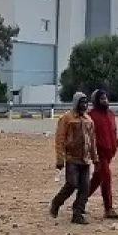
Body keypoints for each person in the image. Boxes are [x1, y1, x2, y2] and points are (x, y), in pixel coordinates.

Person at [50, 94, 99, 224]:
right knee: (72, 184)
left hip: (85, 159)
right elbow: (60, 140)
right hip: (72, 158)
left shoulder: (89, 120)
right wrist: (60, 160)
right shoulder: (66, 119)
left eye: (86, 102)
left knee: (85, 187)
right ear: (76, 103)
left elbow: (92, 141)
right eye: (81, 102)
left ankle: (78, 213)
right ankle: (56, 202)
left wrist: (95, 158)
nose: (84, 105)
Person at [87, 88, 118, 220]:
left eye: (105, 98)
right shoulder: (91, 115)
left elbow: (113, 130)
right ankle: (108, 208)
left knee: (97, 179)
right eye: (101, 99)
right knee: (106, 177)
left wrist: (116, 144)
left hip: (110, 152)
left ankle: (80, 201)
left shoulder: (111, 114)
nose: (105, 100)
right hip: (99, 153)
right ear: (96, 101)